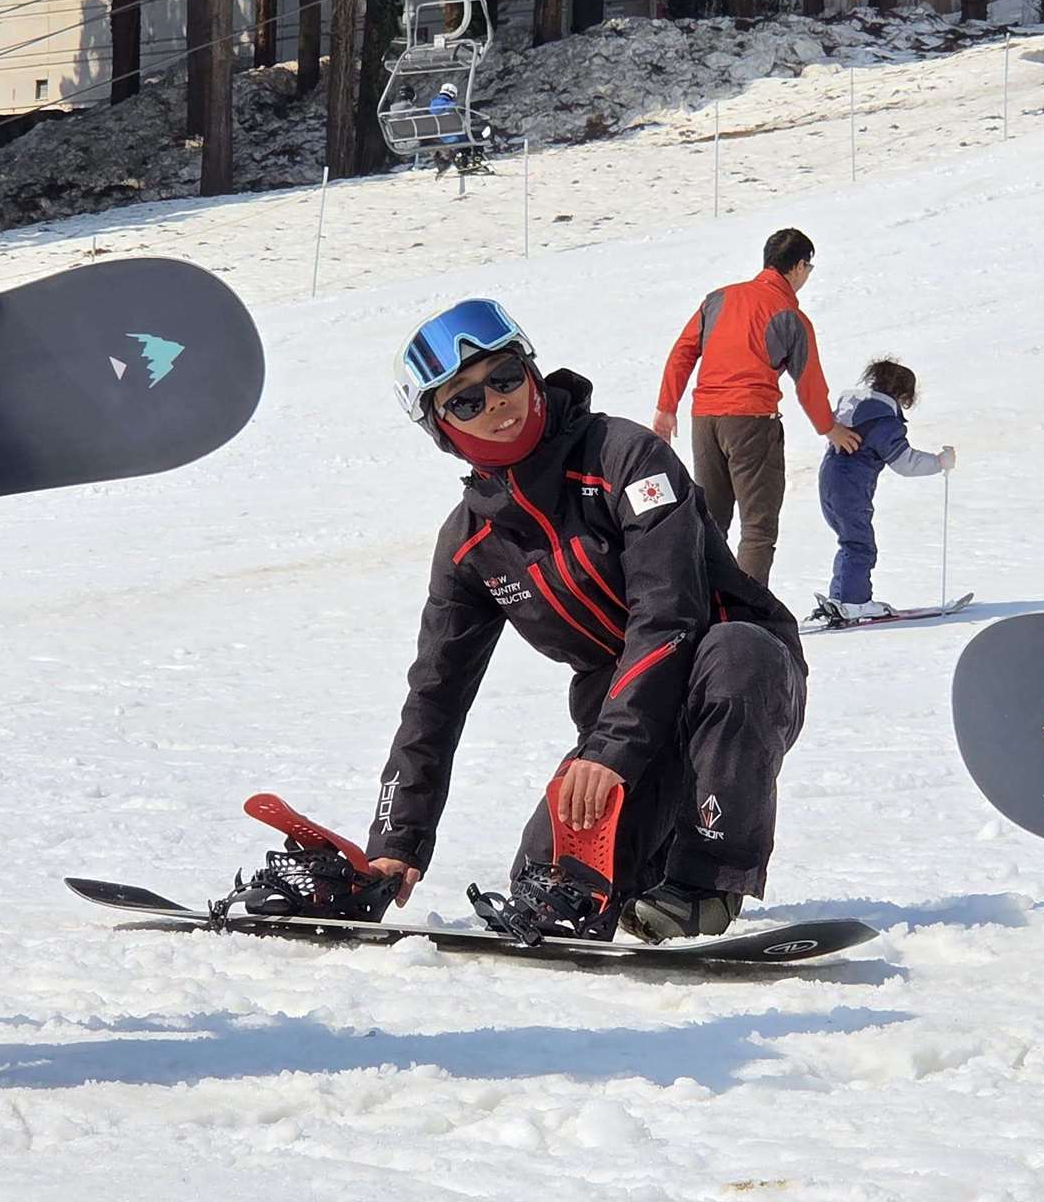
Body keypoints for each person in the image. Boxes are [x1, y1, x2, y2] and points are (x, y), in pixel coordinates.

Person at [368, 300, 810, 943]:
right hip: (624, 723)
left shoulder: (626, 457)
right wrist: (397, 841)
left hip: (731, 679)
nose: (494, 402)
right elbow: (434, 697)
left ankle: (705, 881)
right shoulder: (471, 546)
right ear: (440, 427)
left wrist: (607, 755)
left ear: (533, 373)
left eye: (504, 377)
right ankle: (648, 866)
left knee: (737, 652)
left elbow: (669, 615)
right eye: (464, 401)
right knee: (547, 883)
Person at [653, 228, 861, 587]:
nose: (807, 276)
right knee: (758, 527)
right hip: (751, 422)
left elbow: (683, 351)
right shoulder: (790, 316)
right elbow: (809, 383)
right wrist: (830, 428)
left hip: (705, 420)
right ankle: (747, 618)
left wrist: (666, 406)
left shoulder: (717, 300)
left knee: (712, 521)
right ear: (796, 267)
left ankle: (703, 605)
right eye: (808, 268)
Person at [813, 357, 955, 624]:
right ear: (902, 395)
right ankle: (855, 603)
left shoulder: (853, 408)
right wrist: (938, 463)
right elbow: (905, 462)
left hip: (830, 478)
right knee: (860, 545)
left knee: (850, 541)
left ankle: (840, 601)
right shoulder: (882, 420)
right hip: (851, 485)